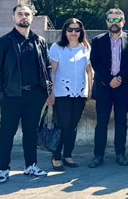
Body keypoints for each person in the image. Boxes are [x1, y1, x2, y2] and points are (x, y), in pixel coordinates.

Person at [0, 4, 52, 183]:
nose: (23, 17)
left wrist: (46, 89)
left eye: (27, 14)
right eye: (20, 14)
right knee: (6, 133)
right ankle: (3, 168)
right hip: (11, 96)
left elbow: (47, 66)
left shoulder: (39, 41)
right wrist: (0, 95)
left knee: (31, 132)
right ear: (13, 17)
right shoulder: (4, 42)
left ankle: (31, 166)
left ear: (31, 17)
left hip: (35, 96)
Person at [89, 8, 128, 168]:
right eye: (111, 20)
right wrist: (109, 79)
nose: (114, 22)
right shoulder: (98, 40)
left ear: (123, 22)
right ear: (107, 22)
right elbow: (95, 62)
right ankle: (98, 155)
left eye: (117, 20)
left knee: (121, 122)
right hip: (104, 86)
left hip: (123, 87)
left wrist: (120, 78)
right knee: (101, 123)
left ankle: (120, 154)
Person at [48, 18, 93, 172]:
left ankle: (68, 154)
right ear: (65, 31)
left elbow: (88, 70)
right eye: (70, 29)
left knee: (73, 126)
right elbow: (52, 72)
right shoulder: (57, 48)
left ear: (81, 32)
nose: (73, 32)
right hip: (62, 92)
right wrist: (51, 93)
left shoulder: (85, 47)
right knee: (63, 124)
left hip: (79, 92)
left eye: (77, 30)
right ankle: (56, 155)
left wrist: (89, 90)